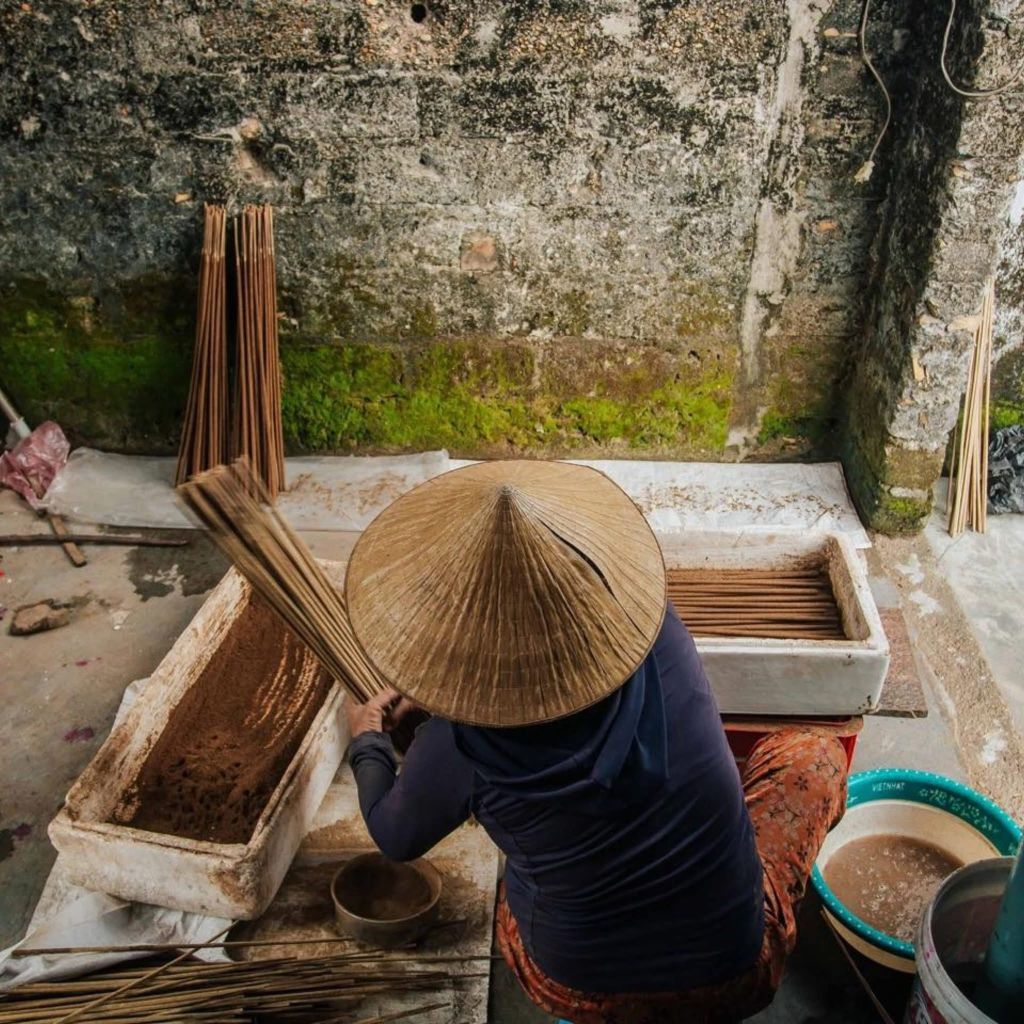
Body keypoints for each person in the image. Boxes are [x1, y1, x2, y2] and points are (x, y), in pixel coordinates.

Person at [343, 460, 848, 1024]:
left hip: (578, 988)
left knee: (521, 866)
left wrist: (368, 737)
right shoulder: (657, 631)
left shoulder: (458, 747)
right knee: (815, 755)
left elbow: (395, 835)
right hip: (735, 974)